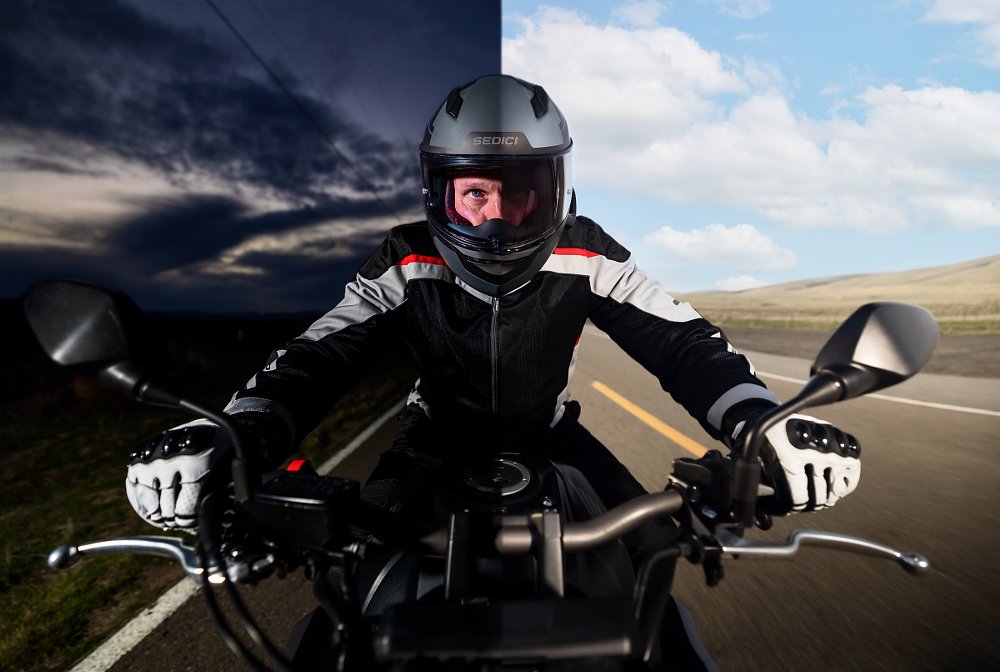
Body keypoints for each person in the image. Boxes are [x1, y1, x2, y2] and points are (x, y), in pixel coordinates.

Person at [124, 74, 861, 667]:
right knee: (346, 588)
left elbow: (684, 343)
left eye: (521, 191)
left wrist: (766, 422)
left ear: (556, 188)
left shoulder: (588, 249)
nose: (498, 217)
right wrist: (230, 434)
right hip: (431, 442)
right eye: (475, 192)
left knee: (654, 570)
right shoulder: (404, 255)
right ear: (439, 191)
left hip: (553, 438)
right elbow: (320, 353)